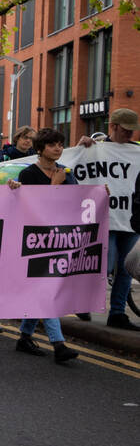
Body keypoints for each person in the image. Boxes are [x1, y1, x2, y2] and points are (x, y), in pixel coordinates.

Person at [10, 128, 79, 363]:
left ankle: (25, 337)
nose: (58, 148)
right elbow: (34, 209)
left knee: (42, 290)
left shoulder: (66, 173)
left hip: (59, 239)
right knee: (46, 290)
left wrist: (99, 194)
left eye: (60, 144)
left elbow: (76, 202)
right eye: (52, 145)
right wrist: (55, 185)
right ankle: (58, 344)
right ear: (40, 149)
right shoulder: (28, 174)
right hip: (35, 240)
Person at [76, 108, 140, 330]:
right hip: (106, 217)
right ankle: (83, 301)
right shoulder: (95, 148)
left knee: (125, 268)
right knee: (102, 263)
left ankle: (118, 313)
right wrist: (82, 146)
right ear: (112, 126)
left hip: (131, 219)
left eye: (133, 131)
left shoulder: (136, 151)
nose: (130, 135)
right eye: (126, 130)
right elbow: (76, 163)